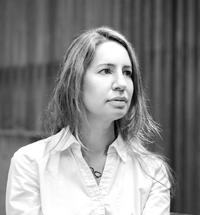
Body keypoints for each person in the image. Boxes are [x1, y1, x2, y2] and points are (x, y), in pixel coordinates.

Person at [6, 26, 172, 215]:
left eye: (127, 72)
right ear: (76, 82)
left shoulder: (152, 172)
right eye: (106, 71)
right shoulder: (30, 163)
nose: (121, 84)